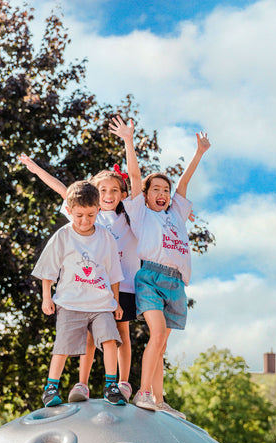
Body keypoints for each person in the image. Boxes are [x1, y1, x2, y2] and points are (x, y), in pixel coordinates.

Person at [110, 115, 210, 412]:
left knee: (162, 345)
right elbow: (136, 177)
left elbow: (184, 183)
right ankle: (142, 393)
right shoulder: (142, 214)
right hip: (150, 277)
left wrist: (199, 153)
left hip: (176, 282)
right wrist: (129, 140)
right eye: (156, 190)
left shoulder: (176, 214)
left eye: (165, 191)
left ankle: (159, 399)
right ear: (146, 195)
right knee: (156, 334)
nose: (162, 194)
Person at [19, 154, 139, 402]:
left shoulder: (117, 224)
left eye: (90, 216)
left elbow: (114, 272)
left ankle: (113, 385)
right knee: (69, 343)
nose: (85, 220)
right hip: (73, 299)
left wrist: (115, 301)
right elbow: (48, 266)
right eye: (80, 215)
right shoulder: (68, 229)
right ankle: (59, 387)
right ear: (73, 211)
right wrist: (36, 169)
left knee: (112, 339)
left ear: (97, 209)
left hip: (106, 297)